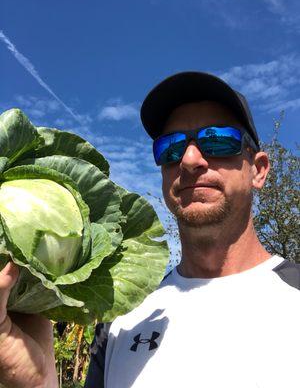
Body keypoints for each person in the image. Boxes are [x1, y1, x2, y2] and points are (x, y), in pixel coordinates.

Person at [0, 72, 299, 388]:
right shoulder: (120, 321)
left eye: (217, 139)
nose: (189, 159)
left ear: (260, 170)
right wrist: (37, 383)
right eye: (171, 147)